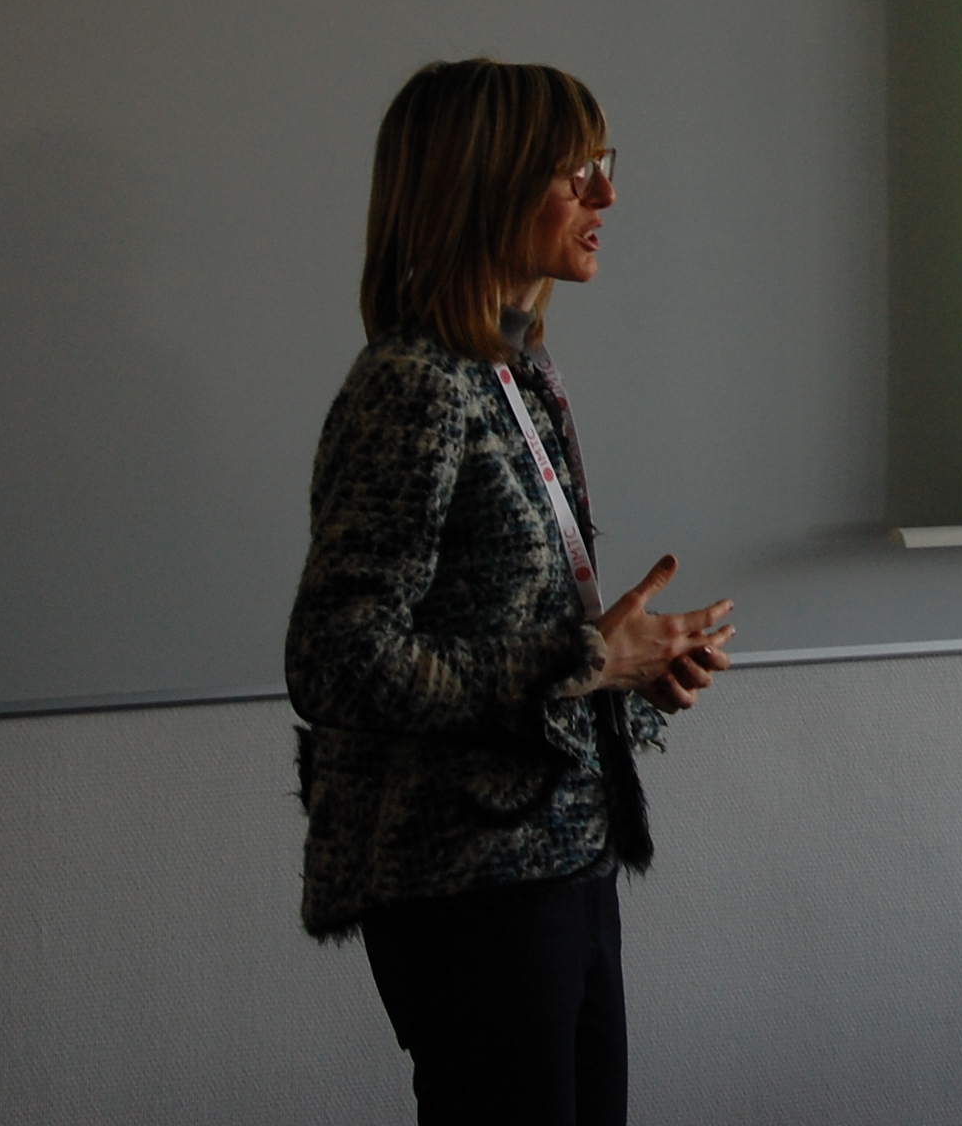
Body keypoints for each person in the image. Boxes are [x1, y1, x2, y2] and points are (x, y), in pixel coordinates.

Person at [287, 58, 734, 1125]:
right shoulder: (411, 385)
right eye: (575, 172)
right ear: (485, 186)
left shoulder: (513, 373)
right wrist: (586, 657)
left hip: (560, 855)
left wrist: (627, 674)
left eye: (602, 166)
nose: (606, 195)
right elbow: (338, 658)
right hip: (468, 885)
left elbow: (509, 644)